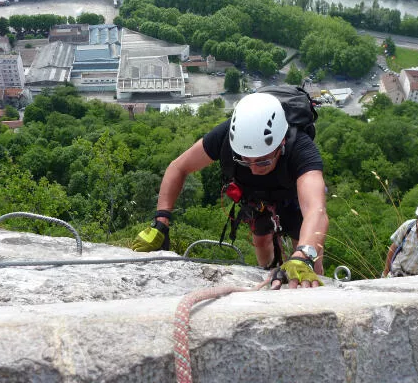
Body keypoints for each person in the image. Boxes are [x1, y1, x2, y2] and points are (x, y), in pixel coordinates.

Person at [132, 92, 329, 289]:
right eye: (244, 160)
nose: (253, 168)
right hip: (255, 198)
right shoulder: (225, 137)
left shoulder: (301, 148)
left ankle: (312, 280)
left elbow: (315, 210)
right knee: (260, 241)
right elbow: (178, 167)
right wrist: (161, 221)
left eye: (262, 160)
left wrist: (303, 255)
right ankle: (268, 274)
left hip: (292, 198)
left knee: (309, 261)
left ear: (281, 143)